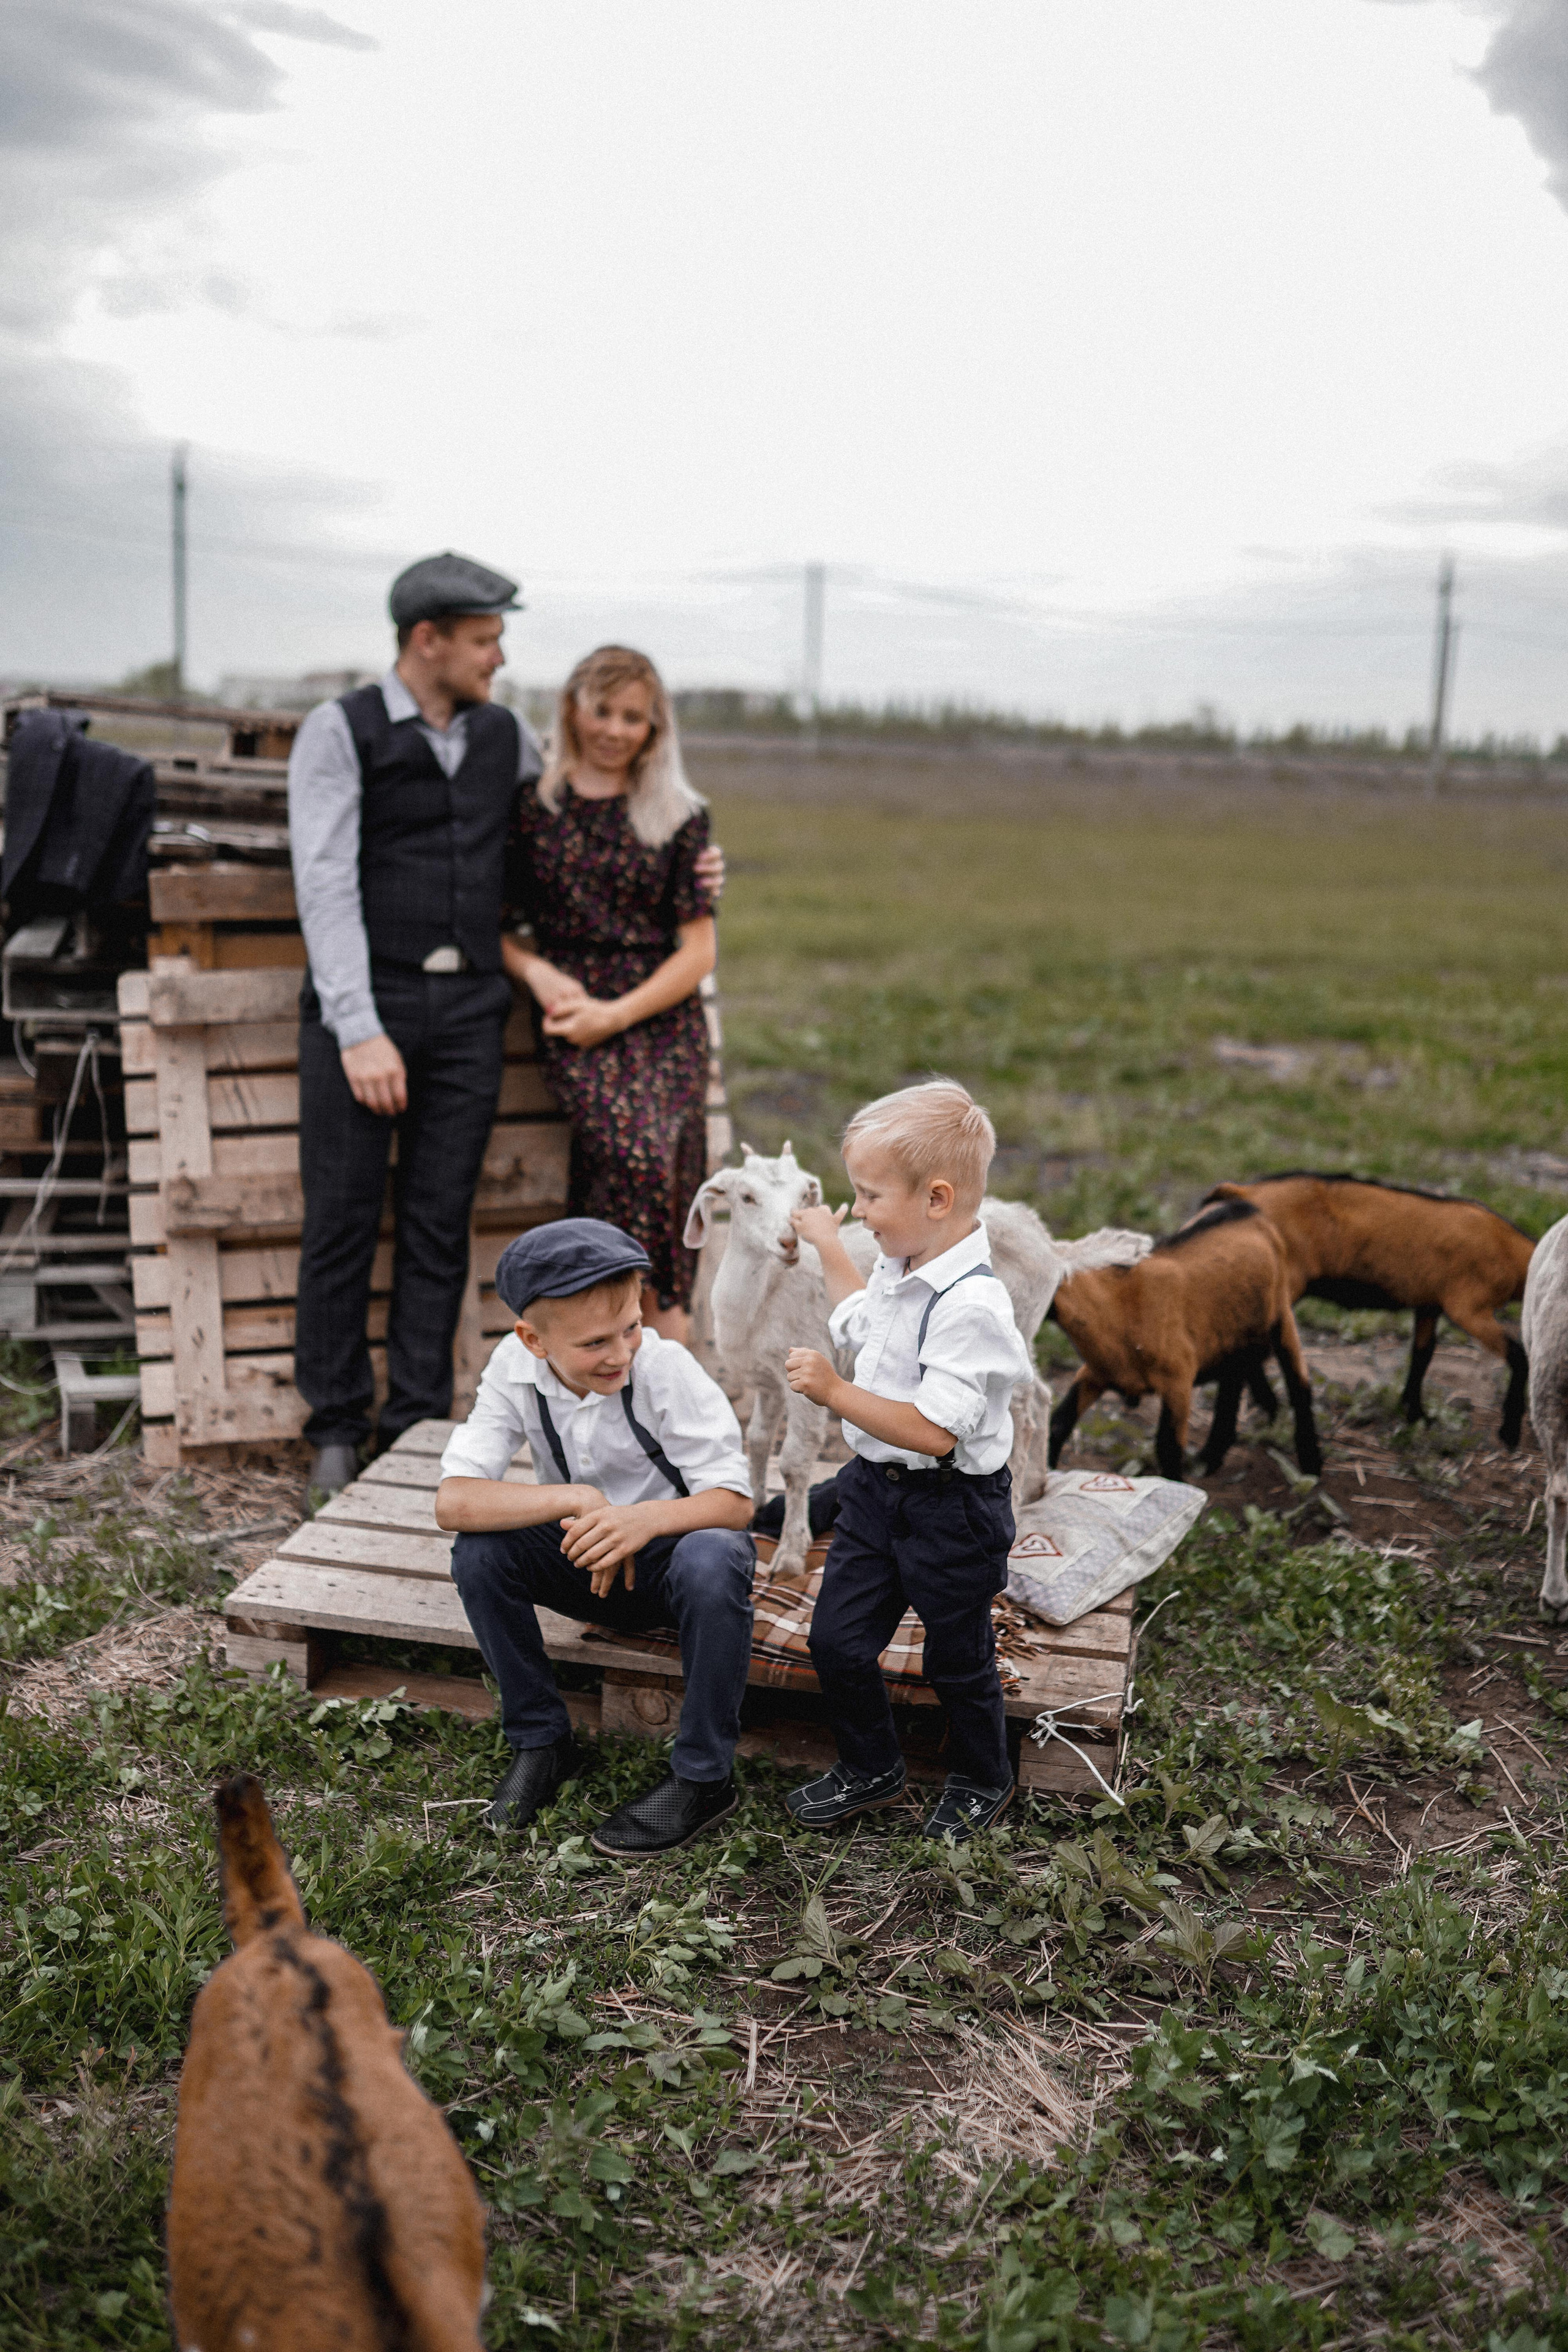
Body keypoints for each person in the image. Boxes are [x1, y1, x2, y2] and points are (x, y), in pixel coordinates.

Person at [287, 562, 723, 1491]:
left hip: (471, 1010)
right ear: (427, 640)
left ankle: (411, 1420)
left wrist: (697, 862)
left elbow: (577, 811)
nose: (500, 655)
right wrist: (356, 1025)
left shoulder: (503, 737)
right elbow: (323, 881)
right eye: (484, 639)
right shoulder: (341, 731)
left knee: (442, 1221)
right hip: (370, 1006)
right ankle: (333, 1426)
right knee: (343, 1217)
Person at [436, 1218, 756, 1858]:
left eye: (631, 1327)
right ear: (532, 1339)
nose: (620, 1353)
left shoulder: (665, 1368)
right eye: (593, 1343)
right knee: (479, 1552)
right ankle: (542, 1741)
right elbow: (455, 1501)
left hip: (672, 1565)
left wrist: (639, 1522)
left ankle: (704, 1777)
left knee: (716, 1555)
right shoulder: (512, 1368)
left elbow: (734, 1503)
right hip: (586, 1558)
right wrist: (582, 1501)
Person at [780, 1079, 1034, 1843]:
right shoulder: (903, 1261)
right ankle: (871, 1766)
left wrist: (830, 1390)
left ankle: (983, 1776)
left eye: (869, 1195)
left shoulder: (972, 1308)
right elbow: (859, 1318)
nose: (859, 1210)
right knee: (837, 1641)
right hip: (872, 1497)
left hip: (951, 1509)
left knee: (957, 1658)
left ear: (936, 1198)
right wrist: (827, 1242)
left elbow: (933, 1432)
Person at [503, 646, 715, 1344]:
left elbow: (698, 951)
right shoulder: (535, 809)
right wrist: (537, 975)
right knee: (634, 1156)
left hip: (659, 1017)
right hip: (570, 1006)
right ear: (572, 708)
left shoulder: (678, 814)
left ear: (655, 728)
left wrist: (616, 1015)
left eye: (634, 717)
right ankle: (614, 1340)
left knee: (654, 1167)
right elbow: (497, 928)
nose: (616, 730)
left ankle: (655, 1358)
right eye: (603, 711)